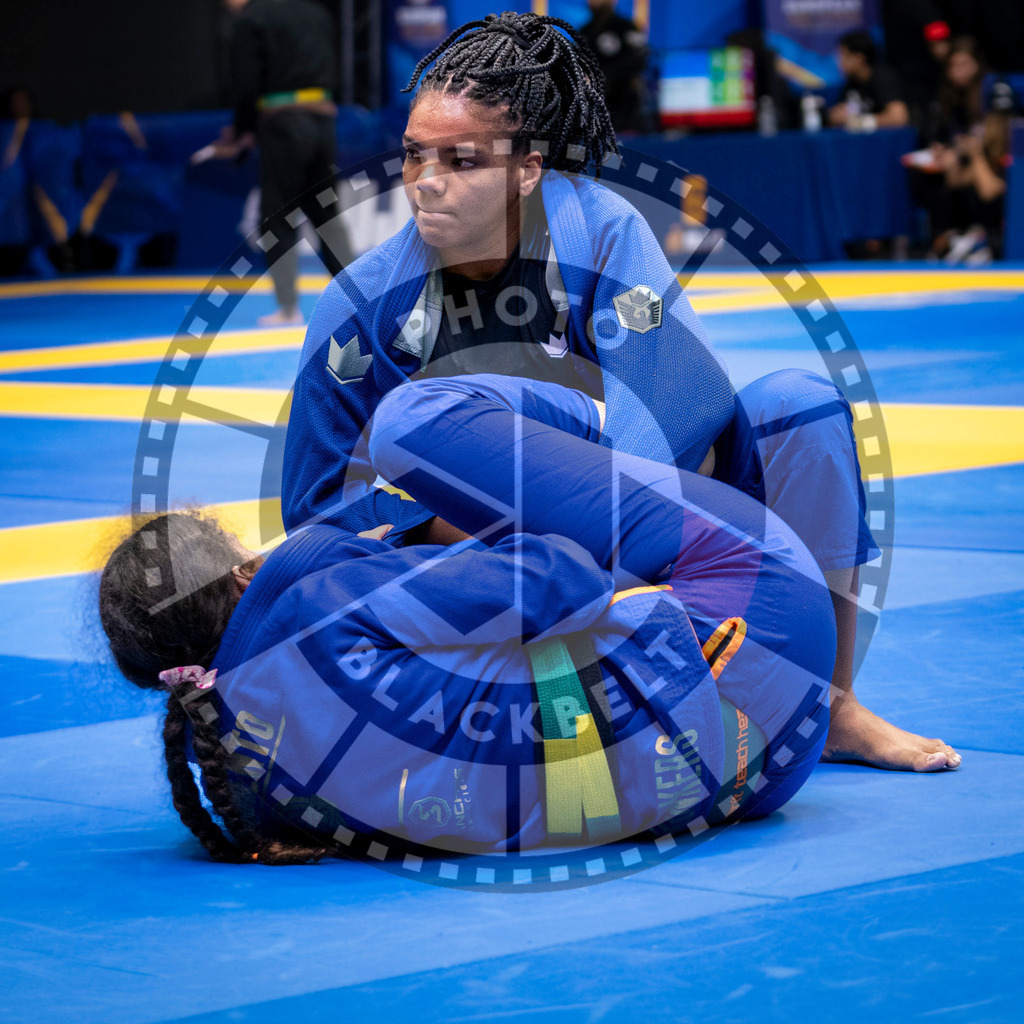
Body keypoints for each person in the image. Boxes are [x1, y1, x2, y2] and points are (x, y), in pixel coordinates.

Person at [282, 12, 959, 778]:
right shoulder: (359, 307)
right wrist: (435, 529)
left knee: (799, 405)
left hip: (646, 516)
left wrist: (600, 525)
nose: (426, 181)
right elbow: (313, 509)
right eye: (412, 156)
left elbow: (685, 403)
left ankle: (830, 706)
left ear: (526, 169)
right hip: (481, 552)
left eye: (461, 159)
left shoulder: (597, 231)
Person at [100, 373, 839, 863]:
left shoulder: (235, 773)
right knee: (418, 418)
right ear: (243, 574)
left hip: (738, 784)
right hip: (767, 640)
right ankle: (617, 422)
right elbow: (565, 576)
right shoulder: (328, 602)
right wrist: (436, 533)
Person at [195, 0, 353, 326]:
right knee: (327, 214)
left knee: (276, 217)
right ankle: (362, 300)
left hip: (283, 123)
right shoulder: (316, 11)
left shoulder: (252, 18)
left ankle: (287, 308)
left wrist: (242, 129)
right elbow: (334, 69)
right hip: (323, 120)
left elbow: (246, 84)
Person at [578, 0, 655, 134]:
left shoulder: (626, 27)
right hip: (595, 106)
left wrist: (606, 77)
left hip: (625, 105)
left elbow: (639, 59)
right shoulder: (585, 31)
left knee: (625, 149)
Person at [828, 30, 910, 130]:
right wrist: (836, 116)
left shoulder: (883, 77)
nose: (840, 61)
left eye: (845, 55)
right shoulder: (852, 82)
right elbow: (840, 112)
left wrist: (863, 121)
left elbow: (899, 117)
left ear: (859, 58)